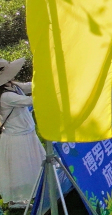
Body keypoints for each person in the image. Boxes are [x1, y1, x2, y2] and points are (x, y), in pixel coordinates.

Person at [0, 57, 45, 207]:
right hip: (16, 138)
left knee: (32, 166)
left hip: (26, 132)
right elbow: (30, 101)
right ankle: (17, 199)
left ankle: (29, 194)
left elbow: (28, 86)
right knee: (19, 170)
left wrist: (45, 81)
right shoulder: (5, 96)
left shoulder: (11, 86)